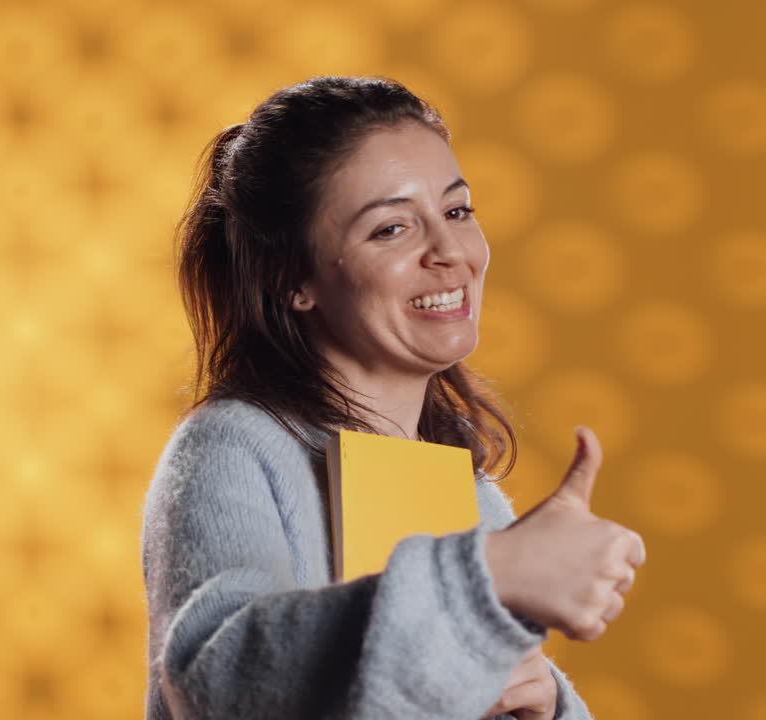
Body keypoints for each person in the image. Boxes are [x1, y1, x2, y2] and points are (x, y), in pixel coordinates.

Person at [140, 76, 646, 720]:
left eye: (457, 211)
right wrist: (488, 576)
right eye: (391, 229)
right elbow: (213, 683)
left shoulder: (470, 493)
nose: (451, 252)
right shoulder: (234, 445)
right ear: (292, 278)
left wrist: (546, 703)